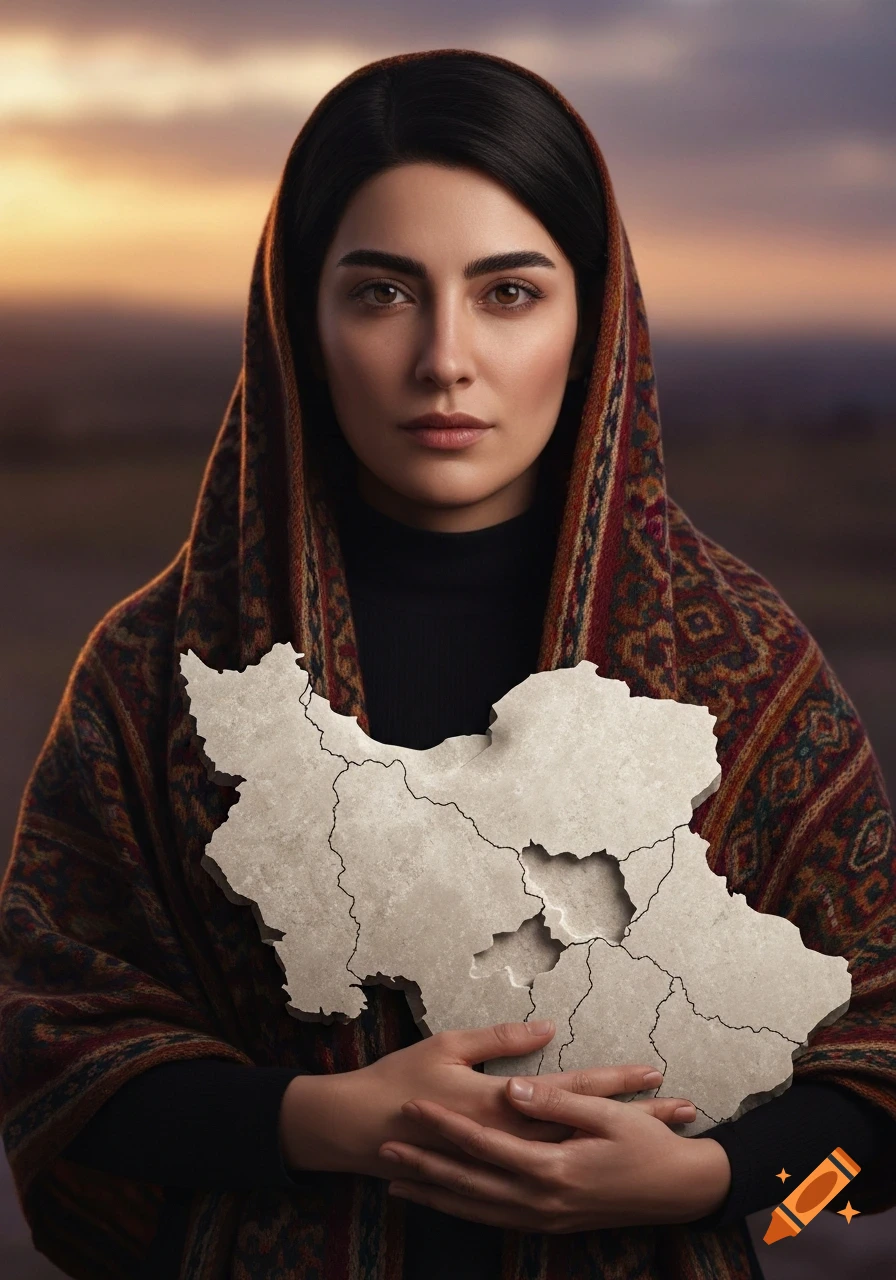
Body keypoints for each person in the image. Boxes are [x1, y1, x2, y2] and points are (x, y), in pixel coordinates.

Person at [1, 46, 895, 1280]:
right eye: (380, 293)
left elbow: (878, 1135)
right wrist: (315, 1121)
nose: (444, 359)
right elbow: (43, 1069)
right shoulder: (158, 670)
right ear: (298, 325)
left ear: (593, 324)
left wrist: (725, 1188)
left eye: (509, 293)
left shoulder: (741, 663)